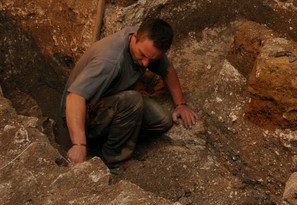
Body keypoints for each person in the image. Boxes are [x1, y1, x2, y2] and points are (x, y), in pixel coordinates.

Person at [60, 17, 198, 169]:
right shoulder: (110, 61)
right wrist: (79, 144)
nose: (145, 63)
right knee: (132, 100)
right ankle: (112, 162)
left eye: (151, 59)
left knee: (162, 121)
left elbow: (167, 69)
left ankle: (109, 142)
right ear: (134, 38)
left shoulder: (147, 43)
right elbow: (74, 97)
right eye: (143, 55)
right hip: (80, 114)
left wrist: (180, 104)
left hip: (111, 101)